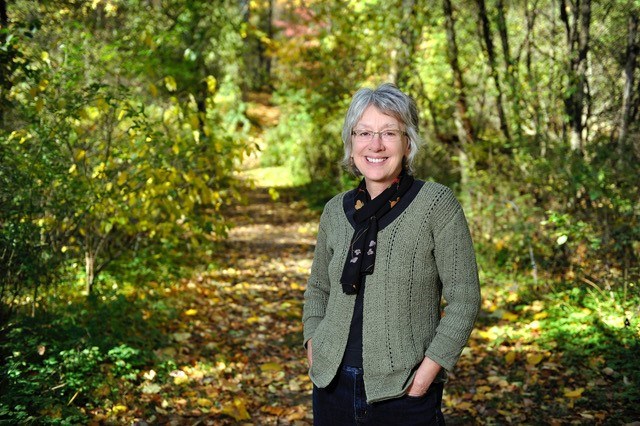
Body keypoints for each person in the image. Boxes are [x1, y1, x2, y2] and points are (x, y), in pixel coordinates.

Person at [302, 83, 481, 425]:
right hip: (331, 387)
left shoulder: (436, 205)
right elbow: (318, 289)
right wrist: (314, 345)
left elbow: (464, 299)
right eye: (364, 132)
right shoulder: (334, 212)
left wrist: (427, 374)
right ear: (351, 141)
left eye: (389, 133)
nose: (376, 145)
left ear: (408, 142)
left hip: (404, 393)